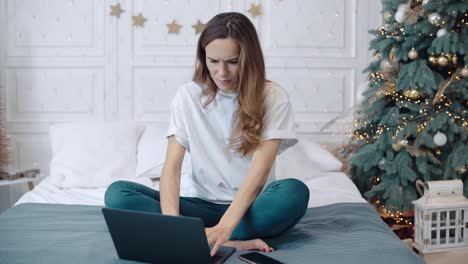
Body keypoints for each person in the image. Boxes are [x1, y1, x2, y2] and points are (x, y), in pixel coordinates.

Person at [104, 12, 309, 256]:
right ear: (204, 58)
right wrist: (174, 226)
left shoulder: (274, 97)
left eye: (232, 61)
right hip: (199, 206)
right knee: (118, 194)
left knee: (294, 193)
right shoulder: (187, 96)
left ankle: (208, 236)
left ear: (249, 59)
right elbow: (171, 167)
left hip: (251, 207)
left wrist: (225, 226)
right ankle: (226, 241)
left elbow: (259, 173)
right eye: (213, 61)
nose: (222, 72)